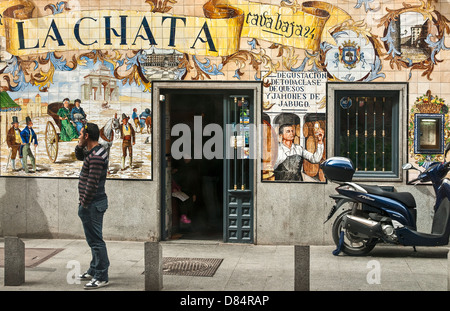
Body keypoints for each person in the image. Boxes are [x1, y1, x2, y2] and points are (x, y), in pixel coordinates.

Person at [75, 122, 110, 289]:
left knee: (96, 241)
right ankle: (94, 268)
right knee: (93, 239)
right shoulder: (96, 151)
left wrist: (84, 203)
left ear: (87, 136)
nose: (79, 136)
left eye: (81, 134)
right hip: (95, 202)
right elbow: (79, 156)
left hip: (92, 204)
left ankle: (101, 275)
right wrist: (80, 145)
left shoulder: (96, 156)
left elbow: (92, 183)